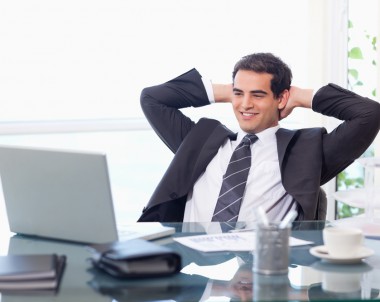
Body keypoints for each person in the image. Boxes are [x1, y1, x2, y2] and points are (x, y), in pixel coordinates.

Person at [137, 52, 380, 223]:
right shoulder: (198, 142)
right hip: (192, 266)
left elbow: (369, 114)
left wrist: (299, 96)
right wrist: (228, 92)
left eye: (258, 95)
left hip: (258, 271)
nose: (245, 104)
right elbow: (152, 98)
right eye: (239, 93)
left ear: (280, 98)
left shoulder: (305, 154)